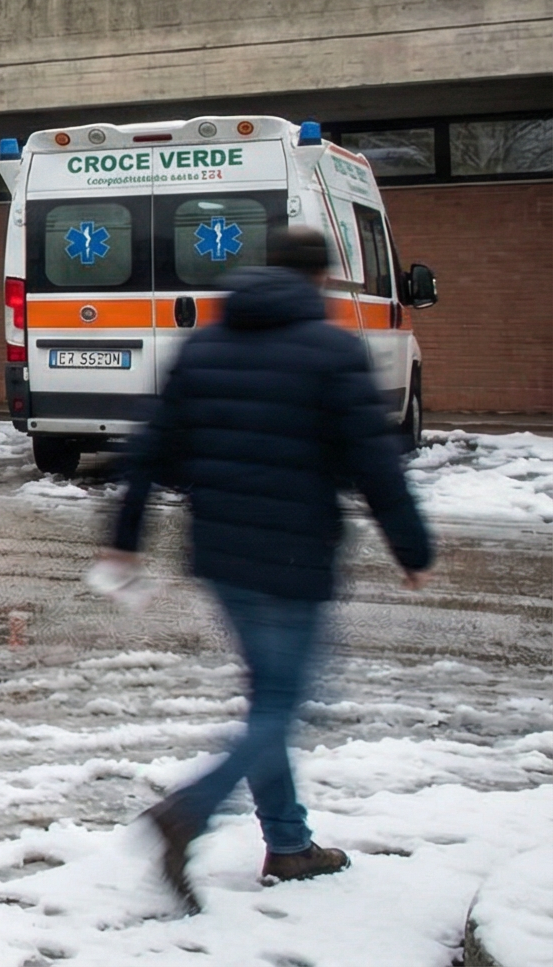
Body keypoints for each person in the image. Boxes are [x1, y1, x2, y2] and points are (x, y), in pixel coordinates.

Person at [104, 224, 435, 911]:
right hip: (295, 555)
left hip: (222, 554)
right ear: (320, 279)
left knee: (270, 703)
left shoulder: (205, 345)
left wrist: (126, 536)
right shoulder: (331, 350)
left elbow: (151, 448)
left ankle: (288, 845)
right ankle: (188, 811)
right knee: (282, 705)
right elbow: (374, 461)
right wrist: (411, 549)